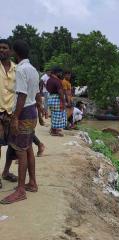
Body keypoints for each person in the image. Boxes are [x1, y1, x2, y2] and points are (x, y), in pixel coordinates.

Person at [1, 40, 40, 204]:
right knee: (28, 147)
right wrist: (42, 110)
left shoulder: (21, 70)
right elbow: (37, 93)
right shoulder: (33, 70)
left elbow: (22, 96)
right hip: (32, 112)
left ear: (15, 53)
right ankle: (32, 183)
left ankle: (21, 190)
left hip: (23, 112)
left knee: (21, 151)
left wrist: (15, 117)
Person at [0, 39, 17, 188]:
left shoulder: (17, 69)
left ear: (11, 51)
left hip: (11, 112)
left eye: (4, 48)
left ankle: (5, 171)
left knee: (12, 145)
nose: (1, 50)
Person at [46, 67, 66, 136]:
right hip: (56, 98)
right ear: (57, 73)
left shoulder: (49, 80)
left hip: (51, 98)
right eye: (60, 73)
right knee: (58, 114)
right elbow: (60, 92)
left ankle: (53, 129)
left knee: (54, 114)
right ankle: (54, 131)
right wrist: (63, 102)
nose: (61, 74)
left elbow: (47, 89)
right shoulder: (57, 81)